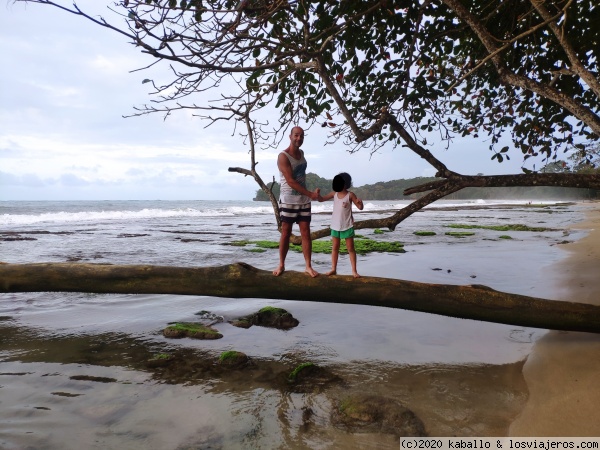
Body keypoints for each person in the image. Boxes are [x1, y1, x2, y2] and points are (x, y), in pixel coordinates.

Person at [273, 126, 321, 277]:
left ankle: (308, 266)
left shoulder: (302, 153)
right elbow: (291, 181)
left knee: (306, 233)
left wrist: (309, 196)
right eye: (296, 135)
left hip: (304, 201)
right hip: (288, 201)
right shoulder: (283, 156)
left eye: (301, 136)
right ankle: (281, 264)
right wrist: (310, 194)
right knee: (286, 233)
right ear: (290, 136)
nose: (298, 138)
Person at [318, 172, 364, 278]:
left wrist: (361, 203)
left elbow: (360, 207)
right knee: (335, 248)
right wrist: (318, 195)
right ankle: (333, 269)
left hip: (347, 225)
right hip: (335, 225)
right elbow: (321, 199)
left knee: (350, 248)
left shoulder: (350, 195)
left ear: (345, 183)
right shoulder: (334, 194)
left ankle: (354, 271)